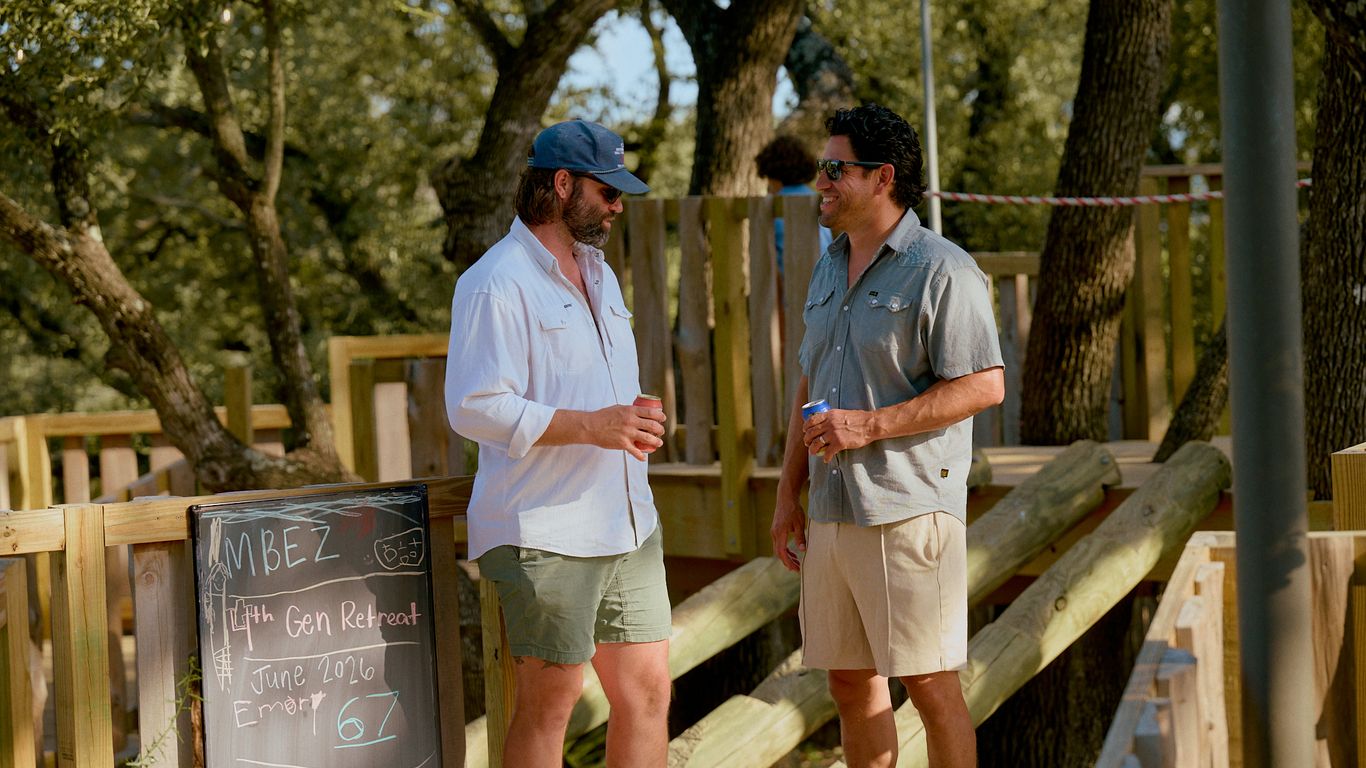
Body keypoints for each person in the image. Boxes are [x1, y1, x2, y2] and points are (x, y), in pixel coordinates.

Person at [770, 104, 1004, 768]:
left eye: (835, 168)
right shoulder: (826, 266)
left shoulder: (942, 268)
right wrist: (788, 493)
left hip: (907, 510)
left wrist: (868, 426)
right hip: (830, 510)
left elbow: (985, 385)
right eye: (823, 168)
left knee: (930, 686)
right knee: (849, 681)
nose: (822, 181)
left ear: (883, 177)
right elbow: (806, 385)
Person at [445, 119, 671, 767]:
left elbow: (595, 392)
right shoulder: (494, 282)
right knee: (552, 706)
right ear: (563, 184)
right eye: (609, 191)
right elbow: (474, 404)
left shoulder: (602, 275)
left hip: (629, 524)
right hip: (544, 531)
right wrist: (597, 425)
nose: (619, 205)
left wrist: (627, 417)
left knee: (649, 693)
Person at [755, 134, 834, 275]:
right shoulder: (817, 199)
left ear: (771, 173)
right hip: (826, 281)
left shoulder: (773, 207)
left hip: (793, 287)